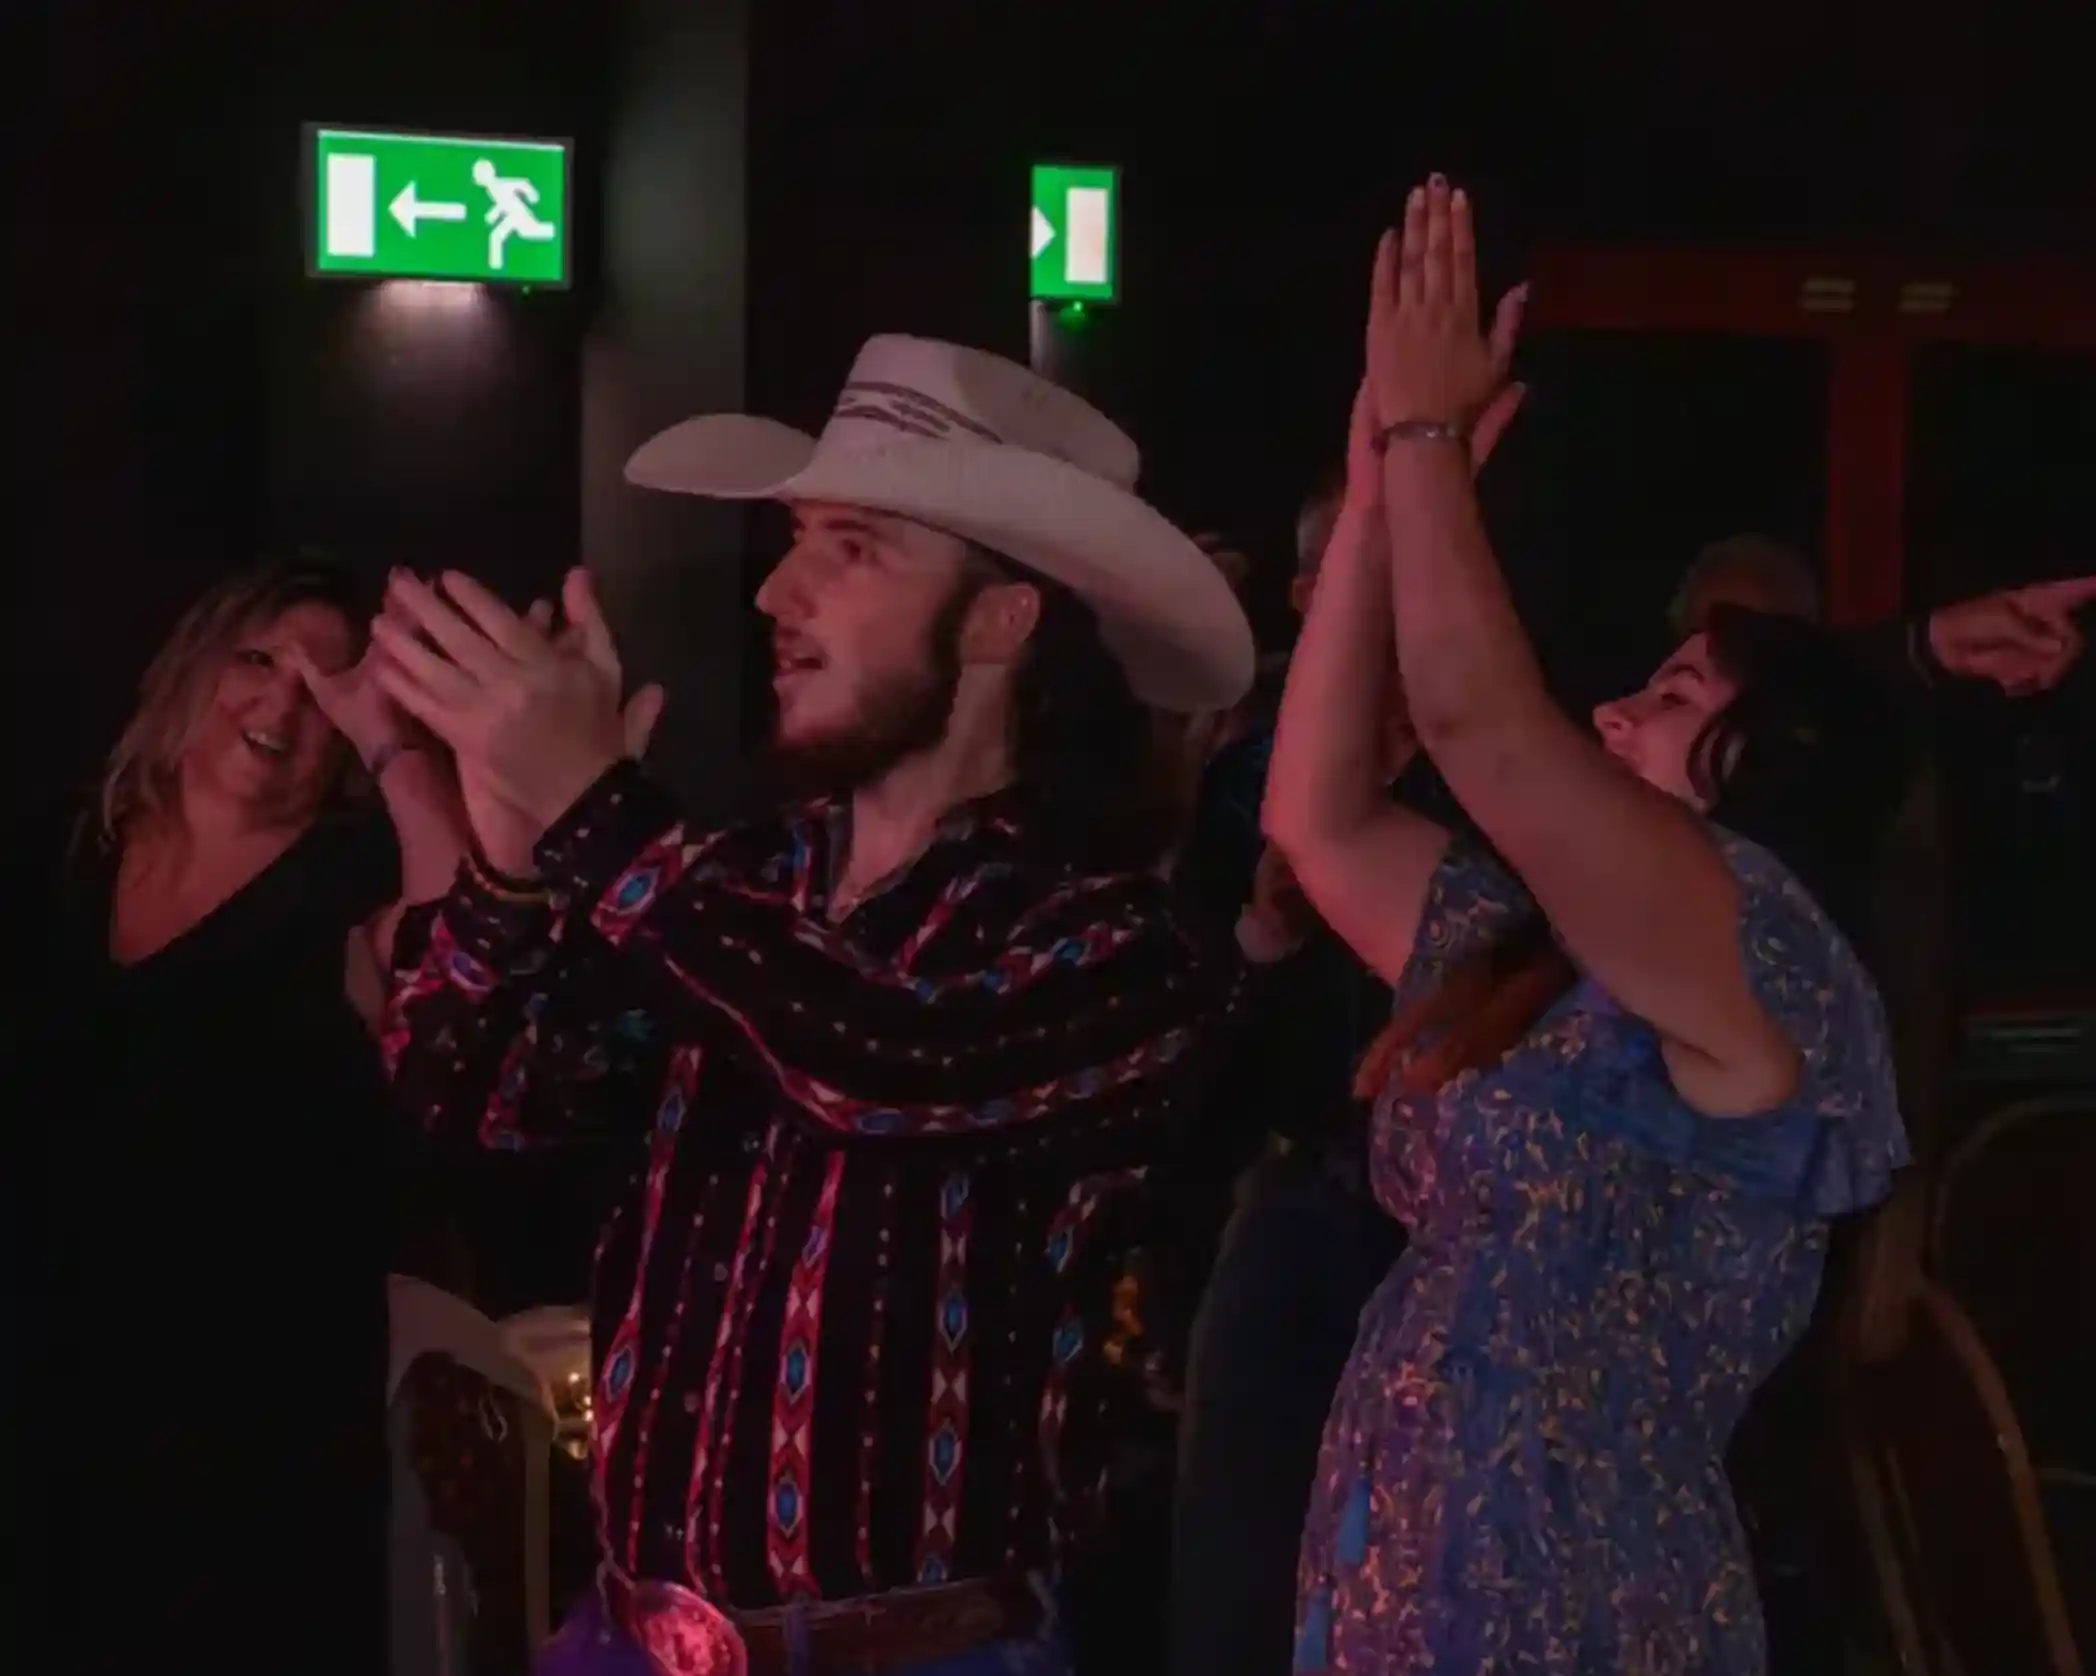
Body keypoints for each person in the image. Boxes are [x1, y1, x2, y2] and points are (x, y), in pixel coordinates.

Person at [367, 335, 1252, 1676]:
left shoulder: (1113, 939)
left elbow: (883, 1063)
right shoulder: (734, 890)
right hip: (626, 1638)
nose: (779, 589)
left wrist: (595, 816)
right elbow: (467, 1104)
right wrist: (505, 852)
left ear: (1002, 619)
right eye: (795, 538)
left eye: (854, 546)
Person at [1271, 179, 1911, 1674]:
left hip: (1575, 1615)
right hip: (1404, 1589)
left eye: (1678, 697)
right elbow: (1319, 822)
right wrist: (1373, 497)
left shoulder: (1763, 950)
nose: (1620, 703)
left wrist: (1433, 445)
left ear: (1778, 774)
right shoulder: (1535, 949)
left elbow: (1481, 721)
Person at [23, 562, 469, 1673]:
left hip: (256, 1427)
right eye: (259, 659)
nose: (278, 703)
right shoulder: (65, 852)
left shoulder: (350, 887)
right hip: (45, 1397)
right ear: (195, 664)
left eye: (323, 689)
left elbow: (471, 954)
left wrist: (398, 748)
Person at [1166, 393, 1525, 1676]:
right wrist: (1262, 940)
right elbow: (1182, 1060)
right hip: (1292, 1214)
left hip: (1460, 1247)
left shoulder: (1503, 783)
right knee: (1245, 1576)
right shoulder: (1239, 783)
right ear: (1317, 587)